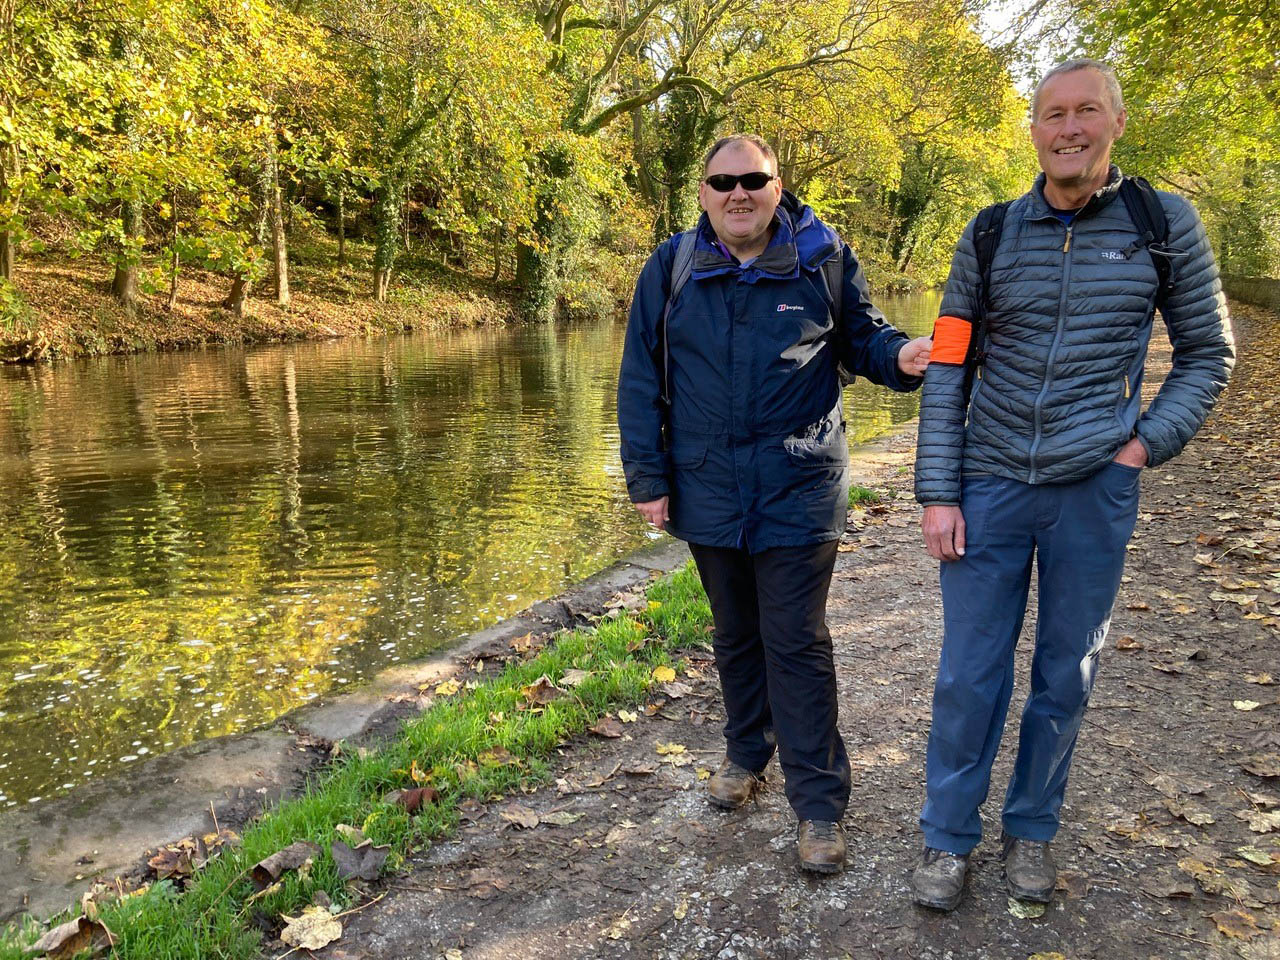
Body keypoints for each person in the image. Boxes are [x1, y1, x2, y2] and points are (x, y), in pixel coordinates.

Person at [910, 59, 1234, 909]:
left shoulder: (1163, 223)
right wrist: (938, 491)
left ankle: (1032, 832)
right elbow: (948, 368)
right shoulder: (987, 233)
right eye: (1053, 114)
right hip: (988, 484)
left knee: (1067, 672)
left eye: (1086, 110)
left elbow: (1208, 355)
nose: (1068, 128)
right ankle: (948, 839)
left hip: (1095, 486)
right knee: (968, 673)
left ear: (1116, 123)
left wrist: (1143, 447)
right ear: (1034, 131)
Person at [617, 133, 931, 874]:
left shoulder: (822, 257)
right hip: (706, 482)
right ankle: (746, 752)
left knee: (795, 640)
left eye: (752, 180)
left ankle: (819, 805)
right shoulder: (671, 269)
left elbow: (865, 339)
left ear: (777, 186)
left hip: (800, 482)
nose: (738, 193)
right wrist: (648, 478)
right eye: (722, 181)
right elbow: (639, 380)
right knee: (734, 633)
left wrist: (904, 359)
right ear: (702, 192)